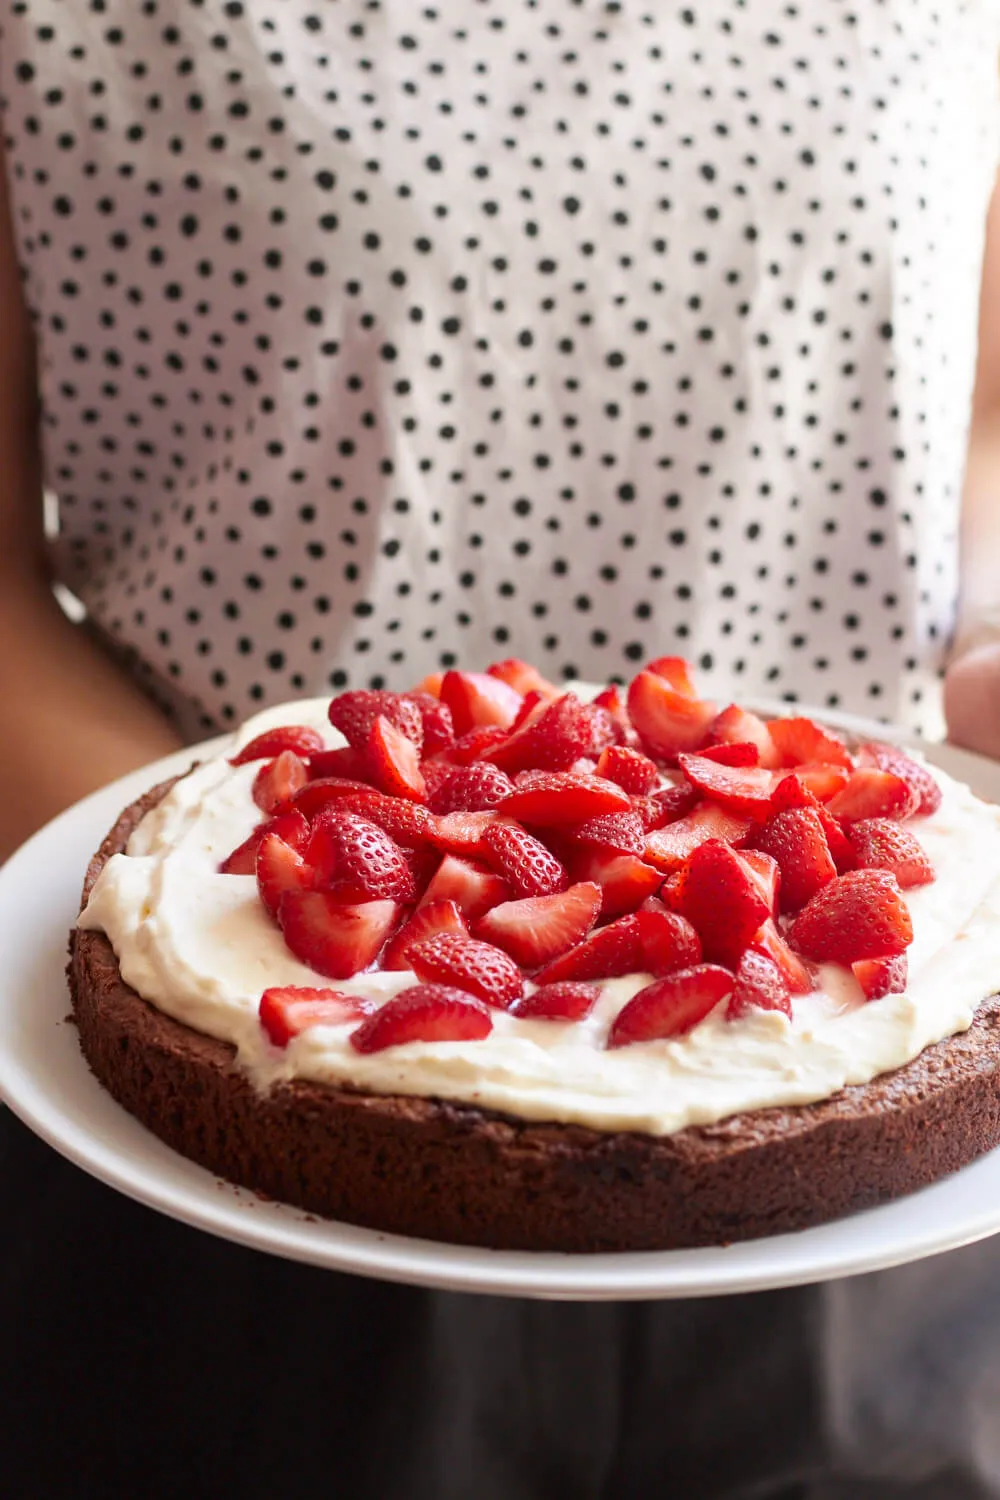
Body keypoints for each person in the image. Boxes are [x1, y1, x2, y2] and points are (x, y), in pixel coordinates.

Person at [1, 4, 999, 1496]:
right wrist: (200, 893)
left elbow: (972, 422)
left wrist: (985, 648)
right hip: (228, 1219)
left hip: (862, 1120)